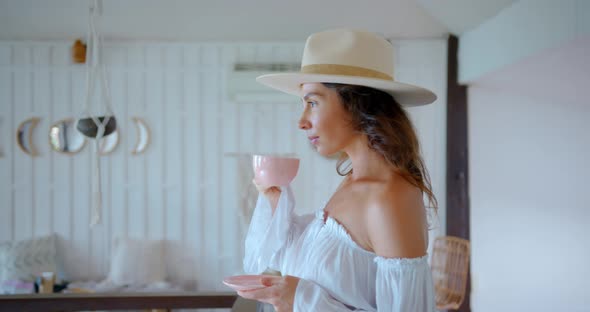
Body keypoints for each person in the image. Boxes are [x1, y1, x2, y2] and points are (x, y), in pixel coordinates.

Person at [240, 29, 438, 311]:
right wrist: (275, 199)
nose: (302, 121)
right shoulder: (352, 182)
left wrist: (301, 298)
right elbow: (320, 257)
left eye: (312, 102)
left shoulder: (388, 196)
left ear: (357, 105)